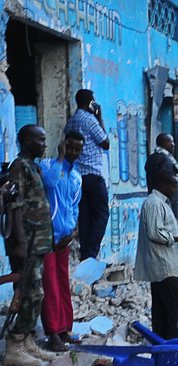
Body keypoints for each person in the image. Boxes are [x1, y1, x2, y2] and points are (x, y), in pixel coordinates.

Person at [1, 125, 56, 366]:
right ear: (26, 141)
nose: (44, 144)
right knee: (31, 293)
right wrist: (21, 242)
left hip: (39, 242)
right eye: (40, 139)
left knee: (35, 293)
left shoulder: (33, 167)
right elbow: (15, 205)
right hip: (28, 243)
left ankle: (28, 341)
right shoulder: (19, 167)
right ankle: (15, 343)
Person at [135, 172, 178, 340]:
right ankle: (174, 348)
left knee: (163, 313)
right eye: (173, 185)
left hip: (165, 267)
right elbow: (155, 233)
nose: (176, 189)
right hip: (165, 267)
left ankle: (163, 352)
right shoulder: (154, 203)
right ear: (162, 185)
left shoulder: (160, 203)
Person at [39, 131, 84, 353]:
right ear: (63, 145)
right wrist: (60, 157)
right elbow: (49, 183)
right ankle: (53, 333)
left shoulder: (77, 176)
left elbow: (74, 206)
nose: (74, 152)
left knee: (63, 283)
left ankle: (66, 328)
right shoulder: (48, 165)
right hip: (46, 237)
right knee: (50, 286)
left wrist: (72, 231)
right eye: (70, 147)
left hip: (64, 239)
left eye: (78, 149)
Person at [64, 89, 110, 261]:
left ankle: (85, 253)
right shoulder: (90, 120)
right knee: (101, 214)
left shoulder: (70, 122)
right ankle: (91, 253)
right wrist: (99, 117)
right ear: (90, 103)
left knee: (84, 216)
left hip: (77, 177)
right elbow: (106, 142)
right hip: (93, 174)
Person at [144, 133, 178, 217]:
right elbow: (166, 183)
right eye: (170, 141)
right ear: (163, 143)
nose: (173, 144)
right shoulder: (165, 160)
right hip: (167, 205)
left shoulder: (152, 158)